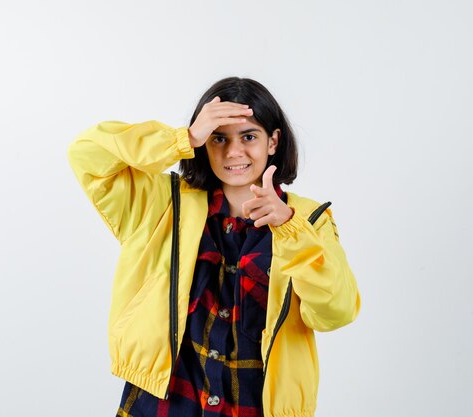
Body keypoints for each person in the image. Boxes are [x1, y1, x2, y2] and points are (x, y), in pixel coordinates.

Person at [68, 77, 361, 417]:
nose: (233, 152)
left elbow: (335, 312)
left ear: (273, 141)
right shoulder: (161, 204)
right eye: (218, 138)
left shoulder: (308, 222)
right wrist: (183, 139)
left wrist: (290, 229)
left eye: (248, 136)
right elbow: (86, 153)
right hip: (161, 405)